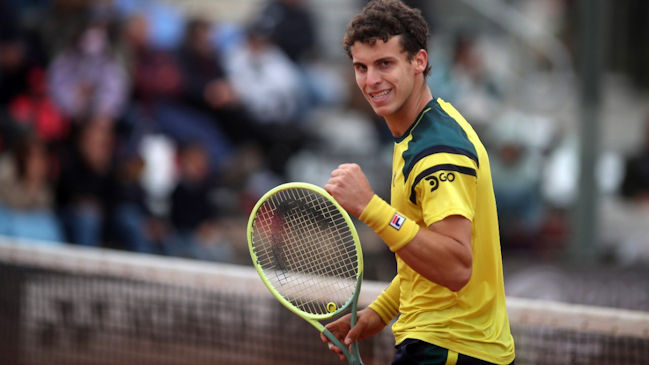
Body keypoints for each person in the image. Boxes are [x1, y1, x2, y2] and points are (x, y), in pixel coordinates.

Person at [321, 1, 515, 364]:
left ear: (419, 61)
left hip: (448, 347)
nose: (371, 80)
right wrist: (377, 314)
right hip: (450, 345)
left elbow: (456, 266)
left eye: (385, 64)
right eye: (361, 67)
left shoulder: (436, 150)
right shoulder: (425, 129)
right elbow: (424, 253)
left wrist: (369, 207)